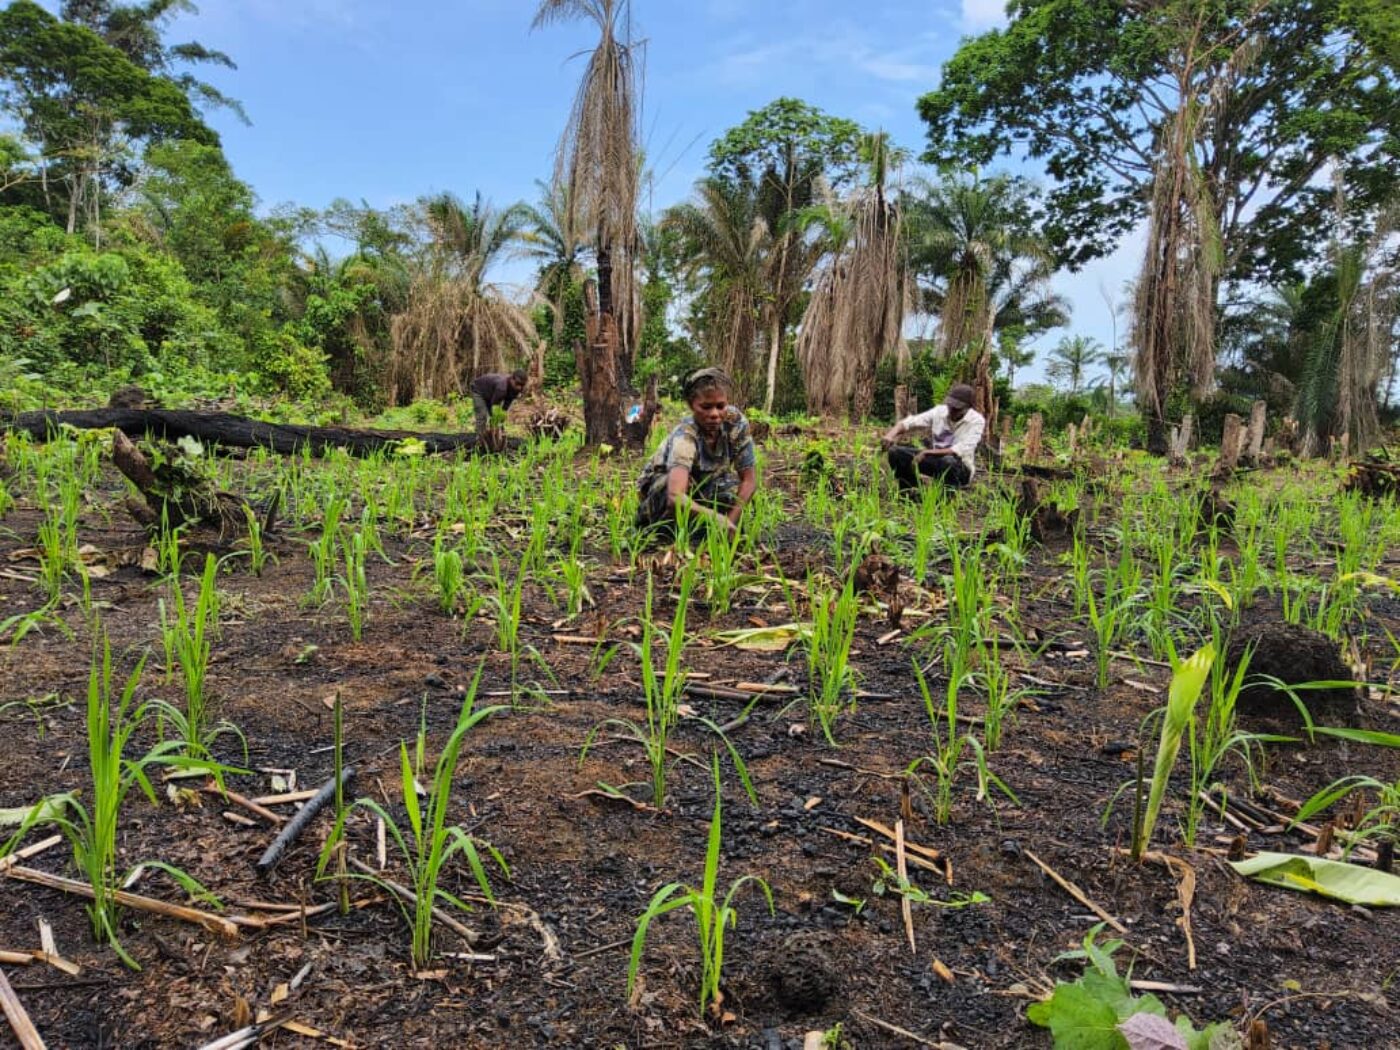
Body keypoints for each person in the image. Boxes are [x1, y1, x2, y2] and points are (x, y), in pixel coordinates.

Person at [635, 368, 758, 537]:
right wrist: (717, 520)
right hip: (664, 490)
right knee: (666, 488)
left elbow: (749, 480)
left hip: (705, 485)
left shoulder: (736, 423)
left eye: (720, 406)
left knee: (730, 490)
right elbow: (675, 496)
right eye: (706, 407)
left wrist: (731, 522)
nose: (714, 414)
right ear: (691, 405)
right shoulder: (685, 437)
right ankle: (663, 533)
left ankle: (707, 532)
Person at [880, 382, 985, 493]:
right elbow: (910, 422)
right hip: (936, 462)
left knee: (948, 461)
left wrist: (927, 452)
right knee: (895, 452)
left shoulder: (976, 421)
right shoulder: (940, 412)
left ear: (968, 408)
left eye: (957, 409)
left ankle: (946, 497)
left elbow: (961, 449)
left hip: (960, 469)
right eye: (951, 406)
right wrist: (890, 435)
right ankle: (908, 489)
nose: (952, 411)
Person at [471, 369, 528, 436]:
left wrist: (500, 420)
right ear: (512, 379)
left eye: (522, 385)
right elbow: (494, 407)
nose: (519, 387)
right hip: (479, 390)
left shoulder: (516, 389)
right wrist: (494, 423)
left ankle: (497, 435)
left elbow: (505, 407)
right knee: (482, 415)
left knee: (500, 416)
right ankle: (479, 439)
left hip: (491, 393)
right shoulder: (501, 388)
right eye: (517, 384)